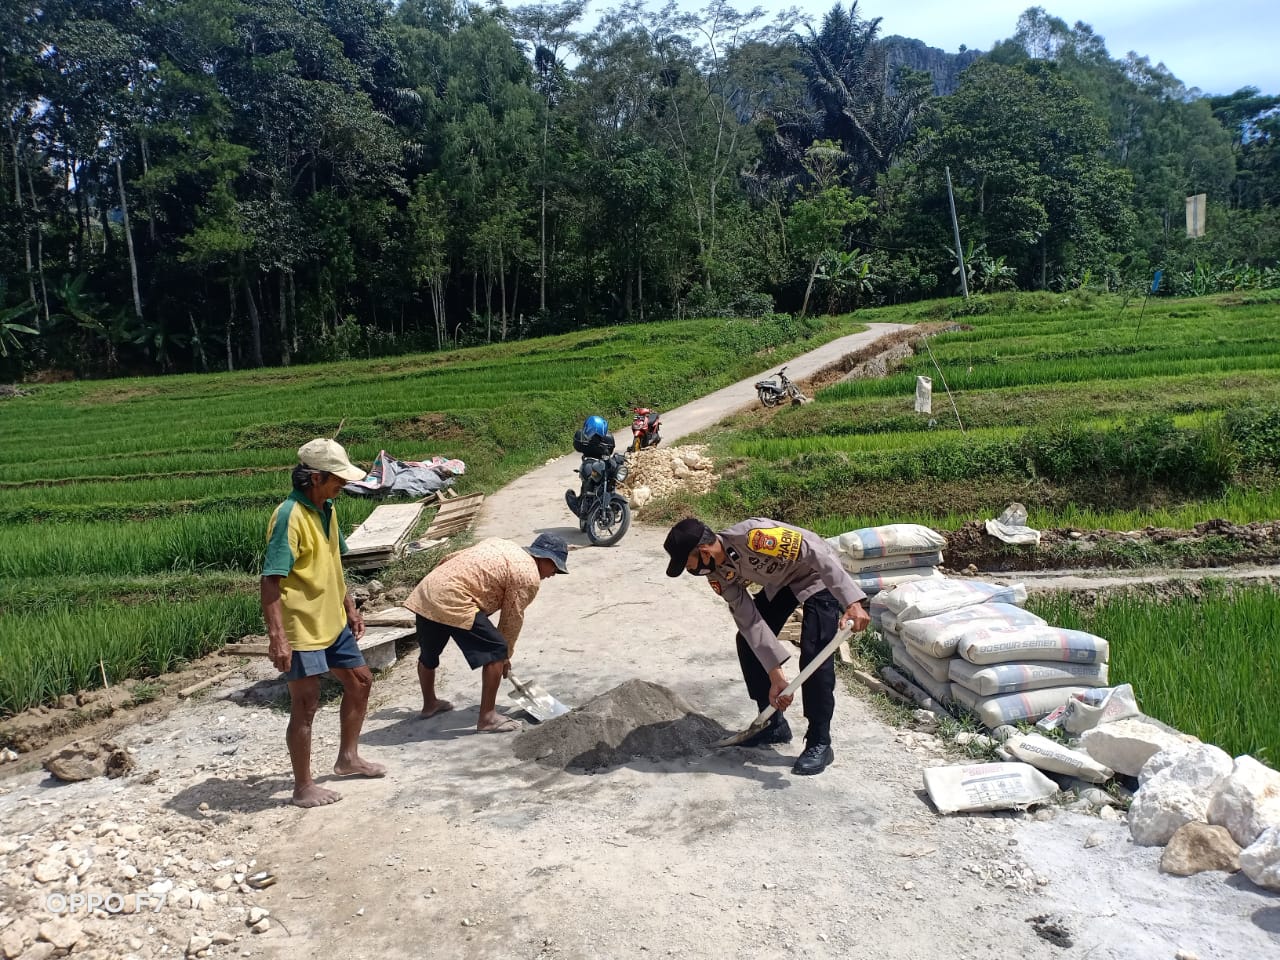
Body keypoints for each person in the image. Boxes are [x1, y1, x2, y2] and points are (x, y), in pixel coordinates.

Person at [663, 516, 871, 776]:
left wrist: (852, 601)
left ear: (702, 551)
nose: (689, 570)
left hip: (815, 573)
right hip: (783, 584)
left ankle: (820, 740)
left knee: (815, 651)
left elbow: (815, 551)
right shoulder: (717, 575)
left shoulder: (754, 536)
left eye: (687, 564)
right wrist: (775, 675)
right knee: (747, 642)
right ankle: (771, 723)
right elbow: (749, 619)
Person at [261, 438, 385, 808]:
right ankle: (303, 787)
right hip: (301, 626)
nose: (342, 485)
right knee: (306, 702)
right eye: (337, 479)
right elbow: (270, 579)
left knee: (361, 681)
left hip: (332, 620)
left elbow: (334, 561)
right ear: (314, 478)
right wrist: (278, 638)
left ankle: (348, 758)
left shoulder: (326, 508)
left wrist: (350, 606)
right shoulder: (289, 516)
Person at [405, 533, 569, 732]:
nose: (552, 575)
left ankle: (430, 704)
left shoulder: (501, 543)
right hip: (454, 597)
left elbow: (453, 557)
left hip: (429, 588)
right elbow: (512, 618)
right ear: (546, 559)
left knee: (429, 653)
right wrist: (505, 656)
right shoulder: (529, 576)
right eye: (555, 568)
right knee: (497, 649)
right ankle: (488, 718)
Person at [566, 415, 614, 518]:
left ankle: (613, 503)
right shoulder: (583, 437)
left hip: (602, 462)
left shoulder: (608, 439)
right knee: (588, 473)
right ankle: (582, 505)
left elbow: (610, 451)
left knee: (613, 475)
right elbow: (577, 444)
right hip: (590, 461)